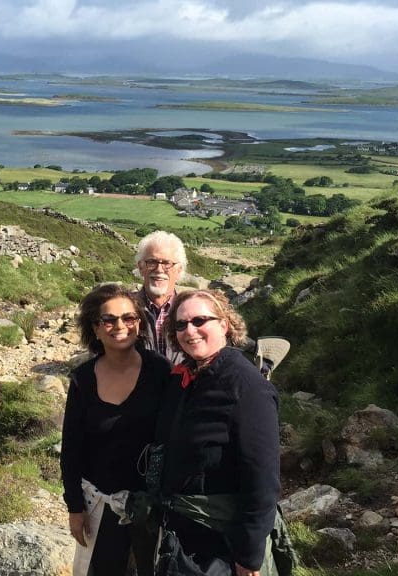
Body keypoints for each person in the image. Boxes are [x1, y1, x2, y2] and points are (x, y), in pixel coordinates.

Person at [154, 289, 281, 576]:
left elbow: (262, 478)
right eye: (181, 325)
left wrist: (249, 557)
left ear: (224, 324)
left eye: (200, 320)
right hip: (184, 534)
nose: (190, 331)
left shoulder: (247, 388)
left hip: (223, 542)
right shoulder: (183, 379)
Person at [61, 283, 171, 576]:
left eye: (128, 318)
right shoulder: (82, 380)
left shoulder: (160, 372)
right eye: (108, 320)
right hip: (101, 503)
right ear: (95, 329)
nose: (119, 326)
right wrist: (75, 508)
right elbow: (71, 449)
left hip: (151, 505)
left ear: (139, 323)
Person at [134, 231, 187, 365]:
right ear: (141, 267)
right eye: (151, 262)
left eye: (166, 263)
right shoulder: (126, 310)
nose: (159, 269)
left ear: (179, 269)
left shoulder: (191, 311)